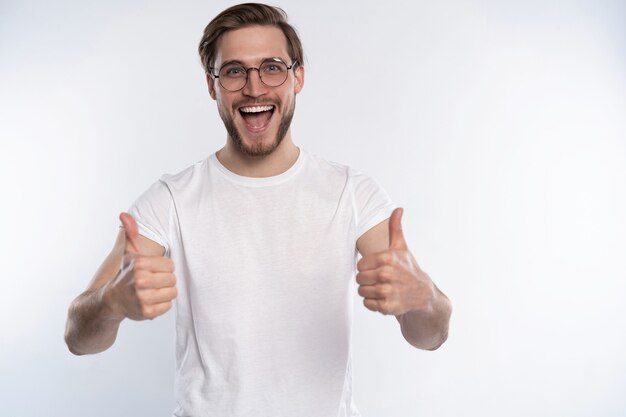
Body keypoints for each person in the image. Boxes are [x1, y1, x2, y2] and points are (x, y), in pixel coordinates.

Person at [64, 3, 452, 416]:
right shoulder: (171, 199)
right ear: (212, 85)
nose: (254, 87)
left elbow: (431, 335)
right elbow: (77, 337)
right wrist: (110, 302)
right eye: (234, 71)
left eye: (271, 67)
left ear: (297, 76)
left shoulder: (351, 193)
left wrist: (422, 299)